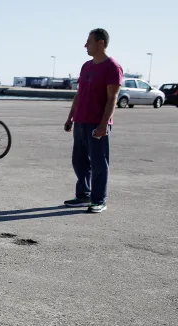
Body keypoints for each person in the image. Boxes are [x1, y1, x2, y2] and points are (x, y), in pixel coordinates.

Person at [63, 28, 122, 214]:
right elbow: (79, 94)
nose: (85, 45)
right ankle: (83, 195)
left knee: (98, 163)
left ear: (100, 43)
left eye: (88, 41)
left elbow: (113, 98)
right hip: (80, 121)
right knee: (79, 161)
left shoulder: (112, 67)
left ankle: (99, 200)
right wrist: (70, 117)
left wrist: (104, 124)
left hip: (97, 123)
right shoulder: (86, 66)